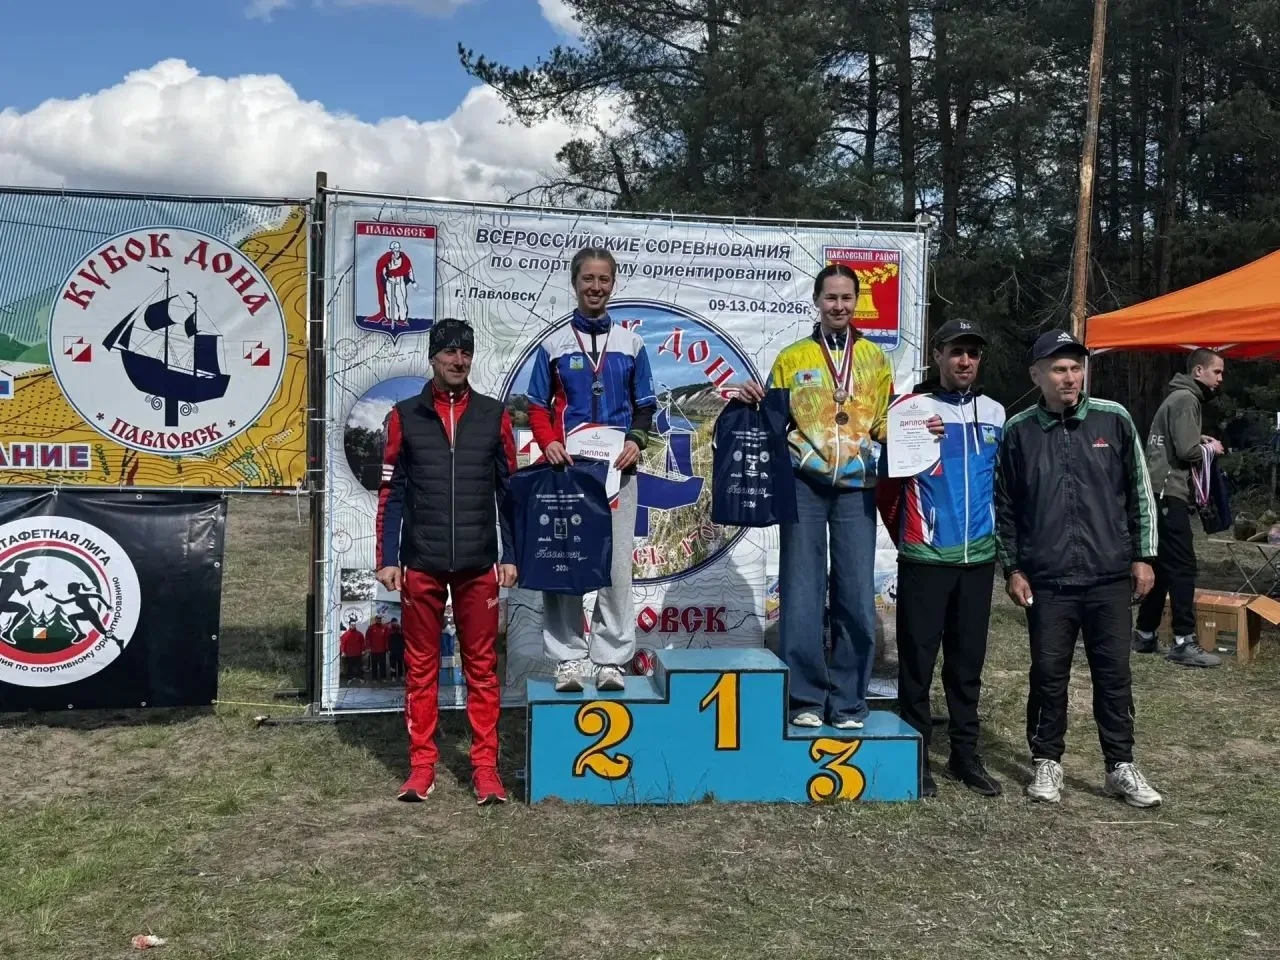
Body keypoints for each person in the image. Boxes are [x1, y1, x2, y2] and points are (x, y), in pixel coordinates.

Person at [995, 330, 1163, 808]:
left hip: (1109, 576)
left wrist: (1144, 556)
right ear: (1036, 375)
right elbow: (1004, 507)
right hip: (1047, 580)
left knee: (1114, 675)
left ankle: (1120, 766)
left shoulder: (1114, 418)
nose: (1069, 377)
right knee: (1049, 674)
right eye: (1058, 369)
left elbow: (1139, 491)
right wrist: (1013, 568)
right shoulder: (1019, 430)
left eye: (1075, 368)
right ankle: (1047, 761)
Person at [737, 264, 892, 729]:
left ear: (856, 302)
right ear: (817, 301)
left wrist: (916, 430)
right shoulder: (793, 357)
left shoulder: (875, 359)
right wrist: (753, 401)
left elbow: (882, 421)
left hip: (857, 487)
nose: (838, 306)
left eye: (847, 298)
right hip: (803, 484)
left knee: (856, 595)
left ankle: (848, 702)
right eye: (831, 297)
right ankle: (804, 698)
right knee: (802, 591)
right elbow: (774, 420)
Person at [376, 317, 517, 804]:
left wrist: (511, 554)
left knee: (483, 670)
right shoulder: (404, 415)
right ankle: (422, 768)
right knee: (420, 670)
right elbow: (391, 493)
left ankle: (485, 770)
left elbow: (508, 493)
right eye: (450, 352)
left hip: (478, 564)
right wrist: (388, 558)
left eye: (466, 353)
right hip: (422, 562)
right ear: (432, 357)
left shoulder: (495, 415)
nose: (459, 361)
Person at [878, 319, 1004, 797]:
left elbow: (1003, 484)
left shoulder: (995, 412)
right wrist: (912, 534)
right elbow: (887, 482)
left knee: (967, 664)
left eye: (973, 353)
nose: (965, 361)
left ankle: (964, 756)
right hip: (926, 558)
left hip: (978, 559)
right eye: (956, 352)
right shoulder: (910, 408)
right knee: (917, 663)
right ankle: (915, 756)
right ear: (938, 355)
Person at [524, 247, 657, 693]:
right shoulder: (554, 344)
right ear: (575, 283)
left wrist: (636, 441)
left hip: (618, 471)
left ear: (613, 284)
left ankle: (611, 659)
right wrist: (549, 442)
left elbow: (645, 406)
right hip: (569, 471)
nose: (595, 287)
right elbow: (536, 405)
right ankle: (567, 659)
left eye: (603, 279)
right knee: (565, 562)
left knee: (616, 569)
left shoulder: (631, 343)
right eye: (588, 279)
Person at [1133, 348, 1226, 667]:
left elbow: (1177, 440)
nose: (1220, 379)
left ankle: (1145, 633)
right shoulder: (1187, 399)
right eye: (1217, 372)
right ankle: (1184, 640)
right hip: (1168, 491)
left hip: (1159, 491)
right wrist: (1211, 448)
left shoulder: (1178, 397)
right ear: (1198, 371)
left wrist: (1199, 439)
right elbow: (1187, 451)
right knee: (1184, 566)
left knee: (1162, 566)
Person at [376, 240, 415, 329]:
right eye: (394, 249)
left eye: (397, 249)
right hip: (390, 281)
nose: (395, 251)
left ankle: (402, 319)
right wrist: (386, 278)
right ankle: (391, 318)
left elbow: (409, 270)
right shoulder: (387, 258)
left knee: (401, 300)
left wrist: (413, 281)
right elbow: (383, 269)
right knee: (389, 300)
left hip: (399, 281)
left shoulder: (404, 259)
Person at [339, 617, 365, 684]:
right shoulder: (345, 634)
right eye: (352, 625)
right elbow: (343, 644)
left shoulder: (359, 634)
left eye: (354, 625)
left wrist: (363, 650)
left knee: (359, 666)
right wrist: (343, 652)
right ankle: (350, 678)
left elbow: (362, 643)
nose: (353, 626)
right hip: (349, 654)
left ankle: (361, 677)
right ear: (349, 625)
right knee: (349, 667)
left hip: (358, 653)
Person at [366, 614, 390, 682]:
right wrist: (368, 647)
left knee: (383, 664)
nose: (379, 620)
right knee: (374, 665)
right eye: (377, 619)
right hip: (374, 650)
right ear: (375, 620)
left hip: (382, 650)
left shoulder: (385, 627)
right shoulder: (371, 628)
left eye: (380, 619)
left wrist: (387, 648)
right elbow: (367, 638)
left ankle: (383, 677)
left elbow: (387, 639)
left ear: (381, 620)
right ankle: (374, 678)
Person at [388, 616, 405, 682]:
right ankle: (393, 676)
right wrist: (388, 649)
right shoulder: (389, 630)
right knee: (392, 664)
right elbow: (387, 640)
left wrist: (404, 648)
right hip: (392, 650)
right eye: (393, 622)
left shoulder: (400, 629)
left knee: (400, 663)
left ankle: (401, 675)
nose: (394, 623)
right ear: (391, 623)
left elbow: (403, 638)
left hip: (400, 649)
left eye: (395, 622)